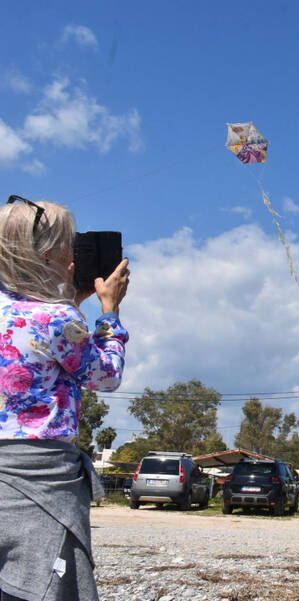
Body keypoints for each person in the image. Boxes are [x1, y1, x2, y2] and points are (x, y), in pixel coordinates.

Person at [0, 197, 130, 601]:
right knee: (46, 580)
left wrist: (69, 302)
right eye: (67, 245)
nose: (74, 254)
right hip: (42, 472)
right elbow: (104, 375)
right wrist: (109, 311)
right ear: (45, 255)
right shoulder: (58, 319)